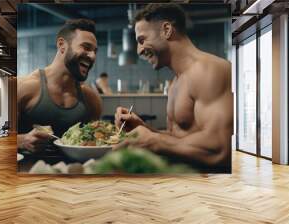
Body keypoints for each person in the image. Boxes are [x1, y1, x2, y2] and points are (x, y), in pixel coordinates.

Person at [114, 4, 233, 172]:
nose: (139, 50)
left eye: (142, 40)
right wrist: (144, 129)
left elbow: (221, 147)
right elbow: (180, 140)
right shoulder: (175, 83)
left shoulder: (209, 70)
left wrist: (153, 140)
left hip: (209, 188)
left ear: (167, 30)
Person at [18, 19, 102, 152]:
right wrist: (23, 140)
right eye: (86, 47)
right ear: (62, 45)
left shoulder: (91, 98)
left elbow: (97, 143)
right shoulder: (24, 86)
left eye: (95, 51)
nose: (92, 56)